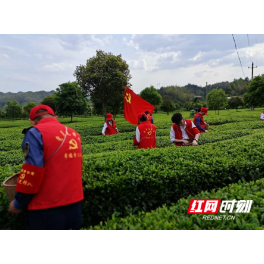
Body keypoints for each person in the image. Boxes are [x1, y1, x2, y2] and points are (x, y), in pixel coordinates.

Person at [8, 105, 84, 230]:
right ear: (55, 116)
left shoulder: (34, 133)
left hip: (45, 210)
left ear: (32, 121)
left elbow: (33, 169)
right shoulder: (74, 134)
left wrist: (18, 203)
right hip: (74, 206)